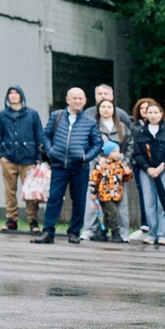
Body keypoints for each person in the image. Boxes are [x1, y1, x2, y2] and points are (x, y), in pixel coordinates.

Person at [36, 86, 101, 244]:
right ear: (68, 100)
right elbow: (45, 135)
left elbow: (97, 144)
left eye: (81, 98)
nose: (78, 101)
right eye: (74, 98)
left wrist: (86, 157)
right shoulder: (56, 116)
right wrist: (51, 151)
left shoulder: (90, 121)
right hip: (59, 165)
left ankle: (74, 232)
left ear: (85, 101)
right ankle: (48, 232)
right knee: (54, 199)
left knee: (78, 200)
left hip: (79, 167)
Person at [0, 87, 44, 232]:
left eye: (16, 93)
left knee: (30, 191)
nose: (13, 96)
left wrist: (39, 157)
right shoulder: (2, 115)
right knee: (9, 190)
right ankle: (11, 219)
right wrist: (1, 155)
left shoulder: (32, 114)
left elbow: (39, 135)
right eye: (10, 93)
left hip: (28, 159)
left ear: (21, 96)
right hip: (8, 158)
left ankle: (32, 220)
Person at [131, 97, 165, 246]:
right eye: (149, 112)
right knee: (149, 201)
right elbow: (136, 152)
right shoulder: (139, 132)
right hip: (146, 171)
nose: (152, 115)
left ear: (161, 114)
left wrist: (162, 166)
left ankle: (164, 233)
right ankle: (152, 232)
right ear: (145, 114)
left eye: (155, 112)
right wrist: (147, 168)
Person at [89, 136, 133, 245]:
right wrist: (93, 191)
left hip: (116, 194)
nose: (117, 154)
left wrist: (128, 173)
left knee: (107, 214)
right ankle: (115, 232)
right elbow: (94, 178)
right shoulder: (102, 165)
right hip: (105, 195)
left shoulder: (119, 165)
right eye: (114, 152)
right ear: (108, 153)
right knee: (113, 213)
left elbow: (124, 178)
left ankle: (101, 232)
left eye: (118, 151)